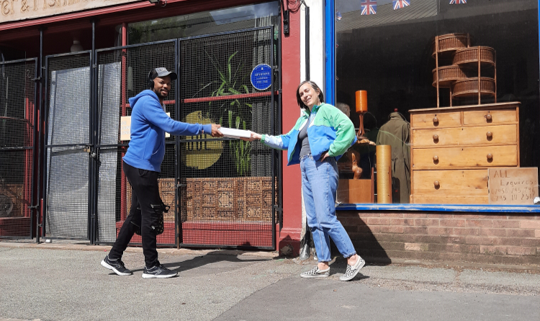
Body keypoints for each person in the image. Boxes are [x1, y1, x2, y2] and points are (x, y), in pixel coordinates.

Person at [101, 67, 223, 279]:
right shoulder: (148, 101)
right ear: (152, 82)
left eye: (168, 82)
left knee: (137, 214)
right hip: (141, 167)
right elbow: (170, 125)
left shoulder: (153, 101)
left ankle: (113, 257)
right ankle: (151, 266)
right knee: (151, 214)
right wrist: (203, 128)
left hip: (140, 165)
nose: (166, 85)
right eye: (161, 81)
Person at [243, 80, 365, 281]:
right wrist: (260, 137)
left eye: (307, 91)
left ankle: (352, 258)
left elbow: (349, 129)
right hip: (306, 166)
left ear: (317, 91)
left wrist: (333, 151)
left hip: (321, 166)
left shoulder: (326, 110)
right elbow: (286, 140)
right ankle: (323, 264)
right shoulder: (303, 120)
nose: (304, 95)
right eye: (301, 94)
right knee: (314, 219)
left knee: (325, 216)